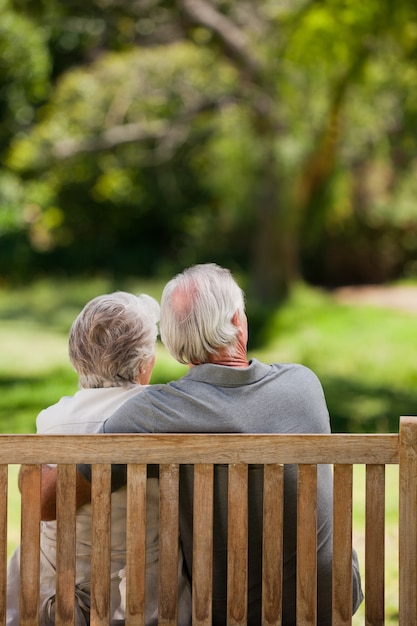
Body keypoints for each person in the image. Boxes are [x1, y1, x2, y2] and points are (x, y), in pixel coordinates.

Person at [41, 264, 363, 625]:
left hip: (231, 614)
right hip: (328, 600)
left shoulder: (153, 413)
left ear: (175, 346)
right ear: (239, 323)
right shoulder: (304, 385)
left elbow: (51, 501)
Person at [7, 291, 191, 626]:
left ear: (77, 357)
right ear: (145, 364)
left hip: (55, 603)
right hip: (146, 605)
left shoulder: (53, 420)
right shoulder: (162, 415)